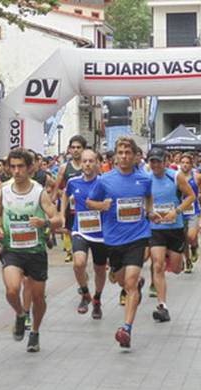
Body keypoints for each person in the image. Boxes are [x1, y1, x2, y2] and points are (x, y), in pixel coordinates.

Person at [88, 137, 154, 349]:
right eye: (120, 152)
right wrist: (102, 205)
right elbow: (90, 202)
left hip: (137, 236)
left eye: (128, 152)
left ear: (135, 156)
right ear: (115, 156)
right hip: (114, 239)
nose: (124, 156)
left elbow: (148, 197)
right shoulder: (104, 180)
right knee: (119, 280)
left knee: (131, 282)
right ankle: (130, 283)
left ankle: (126, 328)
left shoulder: (144, 179)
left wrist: (150, 212)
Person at [0, 149, 59, 352]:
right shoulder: (4, 190)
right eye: (12, 166)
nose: (16, 171)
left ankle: (35, 332)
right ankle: (21, 314)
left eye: (20, 166)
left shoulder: (39, 192)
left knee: (38, 298)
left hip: (36, 251)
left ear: (30, 168)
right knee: (12, 290)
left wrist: (44, 221)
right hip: (12, 250)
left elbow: (58, 219)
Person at [146, 148, 196, 322]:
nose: (155, 165)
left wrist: (178, 211)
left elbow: (191, 196)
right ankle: (162, 306)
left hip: (175, 228)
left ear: (165, 161)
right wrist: (149, 212)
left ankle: (178, 260)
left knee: (175, 269)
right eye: (152, 161)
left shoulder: (175, 176)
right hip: (156, 228)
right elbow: (143, 200)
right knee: (158, 265)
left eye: (158, 161)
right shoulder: (146, 178)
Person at [62, 149, 106, 319]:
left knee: (99, 270)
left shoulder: (104, 182)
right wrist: (61, 214)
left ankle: (97, 300)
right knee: (79, 264)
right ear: (81, 163)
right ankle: (85, 293)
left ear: (97, 163)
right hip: (80, 230)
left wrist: (101, 206)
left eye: (91, 161)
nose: (87, 164)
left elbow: (110, 203)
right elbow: (65, 195)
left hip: (100, 233)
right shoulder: (73, 182)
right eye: (84, 161)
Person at [56, 135, 87, 263]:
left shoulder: (90, 165)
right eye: (73, 147)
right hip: (71, 208)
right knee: (71, 232)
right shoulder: (64, 168)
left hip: (87, 209)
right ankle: (72, 253)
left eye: (78, 147)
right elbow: (57, 188)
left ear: (83, 149)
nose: (75, 150)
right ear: (69, 149)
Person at [178, 152, 201, 273]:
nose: (185, 165)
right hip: (180, 211)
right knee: (184, 238)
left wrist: (197, 196)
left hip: (193, 211)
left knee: (191, 236)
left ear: (192, 164)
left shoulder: (197, 177)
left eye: (187, 163)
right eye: (183, 163)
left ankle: (194, 247)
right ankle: (188, 260)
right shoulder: (176, 176)